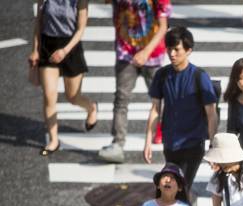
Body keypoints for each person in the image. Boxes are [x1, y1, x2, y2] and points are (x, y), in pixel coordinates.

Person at [143, 26, 219, 194]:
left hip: (192, 144)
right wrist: (148, 141)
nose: (172, 54)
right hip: (170, 143)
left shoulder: (200, 76)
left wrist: (213, 145)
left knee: (179, 189)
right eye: (169, 48)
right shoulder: (162, 75)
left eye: (176, 49)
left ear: (188, 50)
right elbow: (155, 109)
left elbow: (211, 113)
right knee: (174, 192)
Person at [98, 0, 170, 163]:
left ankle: (161, 129)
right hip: (125, 52)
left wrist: (145, 52)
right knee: (121, 99)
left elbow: (163, 26)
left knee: (160, 99)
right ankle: (117, 143)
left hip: (152, 54)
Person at [29, 0, 98, 156]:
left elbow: (80, 29)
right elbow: (38, 22)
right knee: (49, 96)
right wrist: (35, 50)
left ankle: (91, 107)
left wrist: (64, 51)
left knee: (73, 96)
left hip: (70, 48)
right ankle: (54, 140)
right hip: (48, 46)